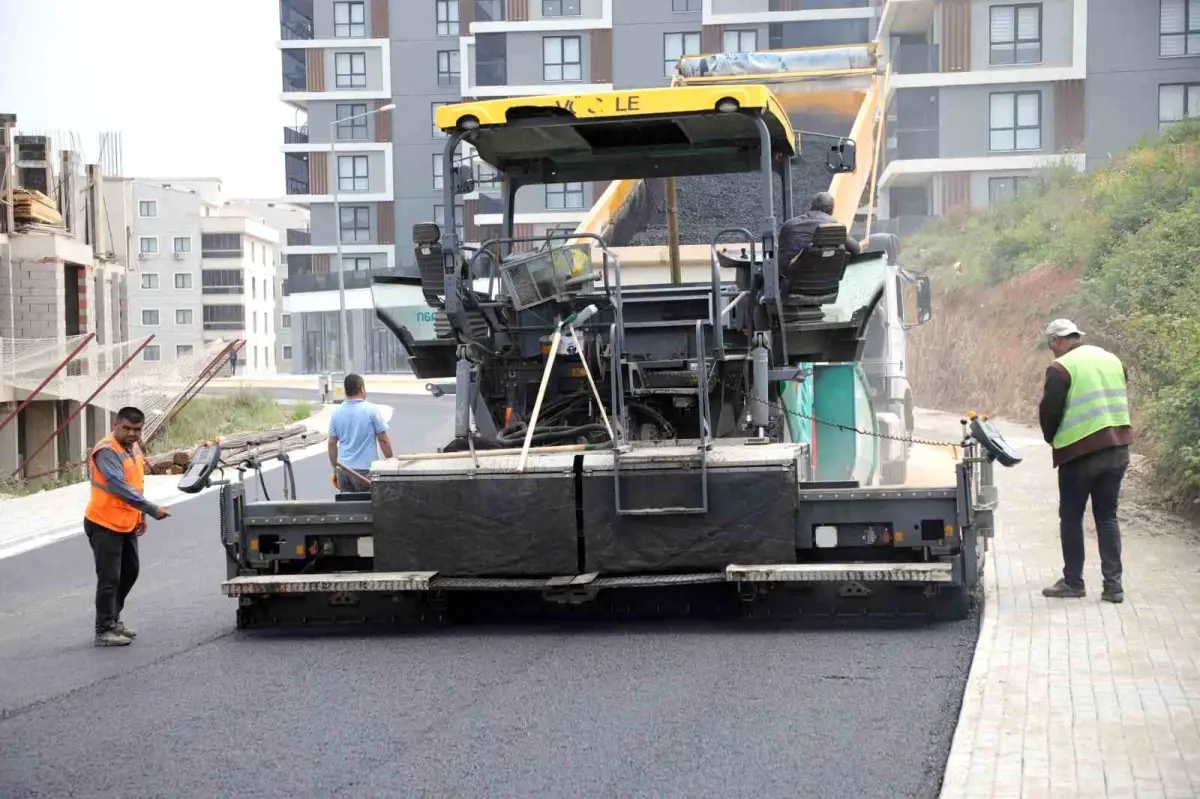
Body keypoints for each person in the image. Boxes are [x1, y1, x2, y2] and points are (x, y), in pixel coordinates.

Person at [1038, 319, 1133, 604]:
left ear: (1056, 341)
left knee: (1071, 517)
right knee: (1107, 516)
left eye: (1050, 345)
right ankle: (1113, 587)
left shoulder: (1061, 368)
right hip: (1117, 449)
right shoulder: (1112, 359)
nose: (1052, 350)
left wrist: (1051, 438)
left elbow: (1050, 411)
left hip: (1079, 454)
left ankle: (1073, 582)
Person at [84, 406, 171, 647]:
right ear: (115, 425)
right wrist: (151, 510)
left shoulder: (132, 448)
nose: (133, 433)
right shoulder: (107, 451)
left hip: (126, 522)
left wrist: (139, 517)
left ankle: (112, 619)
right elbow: (118, 487)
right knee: (109, 578)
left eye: (137, 429)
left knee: (130, 572)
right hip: (103, 523)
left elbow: (136, 483)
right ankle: (103, 629)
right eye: (127, 428)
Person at [328, 373, 394, 492]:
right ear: (361, 388)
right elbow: (383, 439)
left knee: (349, 508)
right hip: (364, 473)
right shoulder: (371, 410)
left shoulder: (336, 412)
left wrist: (334, 468)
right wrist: (391, 462)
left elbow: (332, 442)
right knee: (368, 507)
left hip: (344, 471)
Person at [777, 191, 862, 268]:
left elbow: (781, 252)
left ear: (812, 207)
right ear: (831, 210)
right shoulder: (835, 228)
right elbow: (856, 250)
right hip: (825, 282)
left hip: (791, 280)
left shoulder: (789, 225)